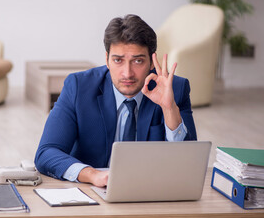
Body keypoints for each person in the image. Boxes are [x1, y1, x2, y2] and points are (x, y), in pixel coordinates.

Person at [35, 14, 197, 187]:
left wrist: (169, 108)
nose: (127, 73)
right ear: (107, 60)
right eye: (118, 60)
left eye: (138, 61)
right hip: (92, 191)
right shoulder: (78, 87)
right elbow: (46, 153)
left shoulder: (174, 89)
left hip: (152, 190)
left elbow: (189, 164)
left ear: (152, 62)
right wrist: (92, 174)